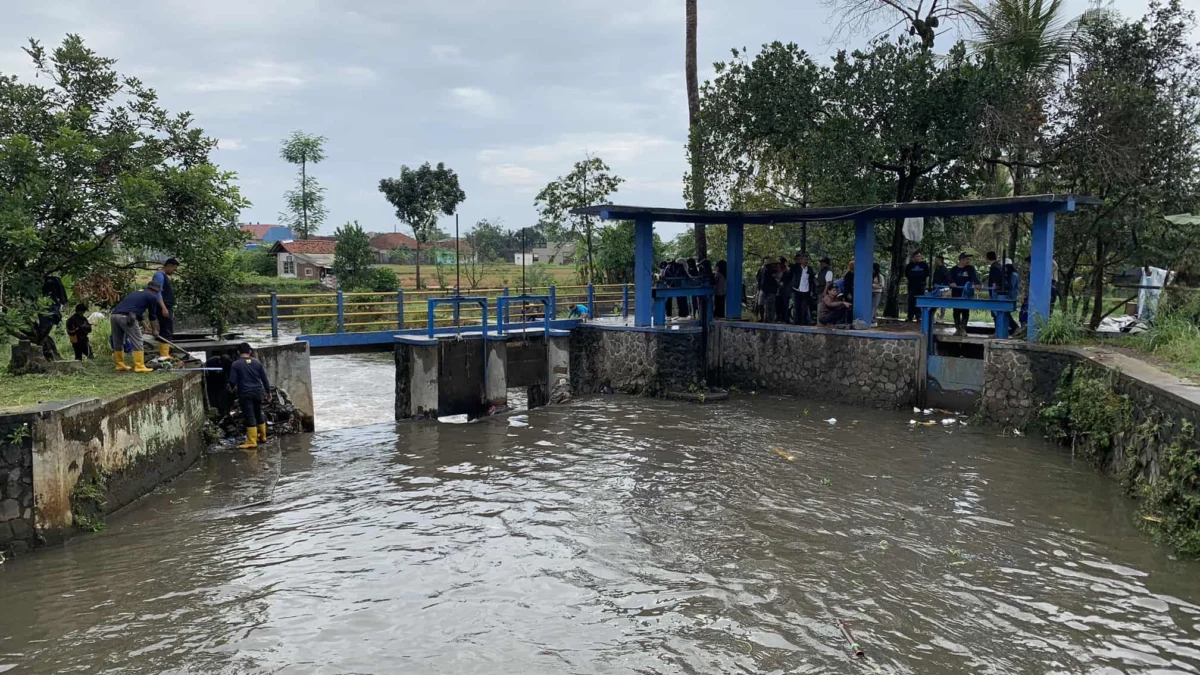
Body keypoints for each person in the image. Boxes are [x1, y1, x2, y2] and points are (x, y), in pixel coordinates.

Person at [109, 281, 162, 372]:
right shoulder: (152, 297)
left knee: (118, 341)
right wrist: (155, 330)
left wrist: (145, 327)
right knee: (137, 340)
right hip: (127, 318)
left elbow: (137, 313)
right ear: (156, 291)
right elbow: (152, 315)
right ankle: (139, 366)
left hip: (114, 316)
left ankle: (119, 364)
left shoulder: (137, 293)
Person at [228, 342, 271, 449]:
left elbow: (232, 381)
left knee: (249, 415)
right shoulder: (257, 363)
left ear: (238, 352)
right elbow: (264, 379)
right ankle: (263, 436)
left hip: (245, 393)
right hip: (258, 392)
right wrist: (268, 392)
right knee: (258, 412)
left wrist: (231, 388)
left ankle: (252, 441)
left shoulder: (236, 364)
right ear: (250, 352)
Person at [151, 258, 179, 358]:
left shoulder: (163, 275)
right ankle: (164, 354)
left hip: (167, 306)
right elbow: (157, 292)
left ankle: (166, 352)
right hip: (163, 307)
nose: (174, 271)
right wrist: (163, 307)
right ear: (169, 266)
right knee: (166, 329)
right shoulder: (159, 275)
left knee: (167, 328)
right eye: (174, 269)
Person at [948, 252, 980, 336]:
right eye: (967, 259)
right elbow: (949, 279)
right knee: (956, 311)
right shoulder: (954, 269)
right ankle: (957, 329)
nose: (968, 261)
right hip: (956, 293)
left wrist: (977, 284)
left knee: (965, 311)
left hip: (966, 293)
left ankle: (963, 329)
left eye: (969, 259)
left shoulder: (970, 268)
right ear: (961, 260)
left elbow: (974, 277)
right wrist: (952, 283)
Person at [789, 252, 816, 325]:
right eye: (804, 259)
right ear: (801, 260)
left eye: (807, 259)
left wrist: (811, 290)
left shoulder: (810, 269)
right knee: (796, 306)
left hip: (805, 290)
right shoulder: (796, 267)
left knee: (804, 306)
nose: (805, 261)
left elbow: (811, 280)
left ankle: (805, 321)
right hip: (796, 289)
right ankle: (796, 321)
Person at [903, 252, 931, 322]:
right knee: (911, 300)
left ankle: (919, 316)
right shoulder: (910, 265)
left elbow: (927, 274)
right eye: (916, 256)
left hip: (921, 285)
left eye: (919, 256)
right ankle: (910, 316)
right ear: (913, 257)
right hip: (912, 285)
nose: (918, 258)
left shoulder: (924, 265)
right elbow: (907, 274)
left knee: (920, 300)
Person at [931, 254, 950, 322]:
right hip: (936, 288)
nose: (936, 261)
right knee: (934, 303)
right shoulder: (937, 268)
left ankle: (942, 317)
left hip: (943, 289)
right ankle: (932, 317)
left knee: (943, 304)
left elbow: (947, 279)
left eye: (937, 260)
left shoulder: (944, 269)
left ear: (940, 260)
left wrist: (942, 285)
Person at [775, 256, 790, 323]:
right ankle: (779, 317)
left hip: (785, 291)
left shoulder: (787, 271)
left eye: (779, 263)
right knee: (778, 305)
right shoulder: (776, 271)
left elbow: (786, 281)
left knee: (785, 305)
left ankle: (785, 319)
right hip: (777, 291)